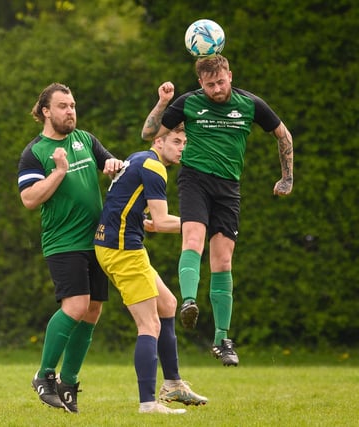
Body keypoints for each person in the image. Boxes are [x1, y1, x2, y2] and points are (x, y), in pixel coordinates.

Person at [141, 56, 294, 366]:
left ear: (230, 76)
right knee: (194, 239)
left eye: (221, 82)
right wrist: (163, 102)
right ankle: (188, 302)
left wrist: (287, 177)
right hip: (194, 179)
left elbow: (283, 135)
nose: (216, 89)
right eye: (210, 84)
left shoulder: (250, 104)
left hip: (228, 188)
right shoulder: (188, 103)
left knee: (223, 259)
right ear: (201, 84)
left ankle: (222, 339)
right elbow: (149, 133)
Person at [17, 83, 123, 413]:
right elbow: (29, 199)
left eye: (73, 105)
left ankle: (68, 383)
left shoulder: (86, 140)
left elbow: (111, 163)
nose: (70, 111)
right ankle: (44, 375)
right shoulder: (35, 152)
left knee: (92, 311)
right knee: (75, 306)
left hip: (97, 240)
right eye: (63, 106)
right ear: (46, 111)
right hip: (63, 242)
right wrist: (60, 171)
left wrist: (114, 166)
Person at [94, 125, 207, 414]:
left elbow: (138, 210)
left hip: (116, 245)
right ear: (159, 141)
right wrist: (198, 223)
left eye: (185, 143)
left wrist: (143, 218)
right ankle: (147, 404)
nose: (182, 147)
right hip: (123, 251)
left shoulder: (140, 157)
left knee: (168, 304)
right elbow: (162, 218)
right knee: (150, 325)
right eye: (177, 141)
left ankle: (172, 384)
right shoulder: (155, 166)